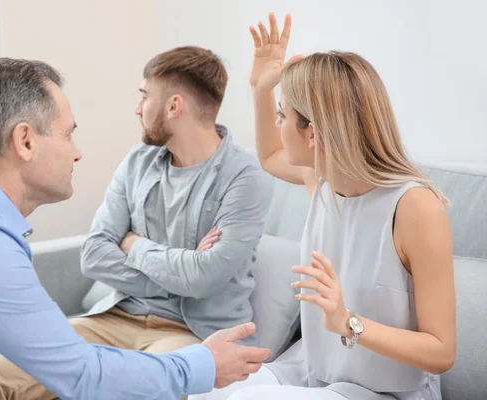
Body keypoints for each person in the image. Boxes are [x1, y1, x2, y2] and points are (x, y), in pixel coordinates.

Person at [0, 57, 271, 400]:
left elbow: (203, 279)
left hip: (186, 329)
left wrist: (134, 245)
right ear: (24, 141)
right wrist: (201, 354)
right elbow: (82, 365)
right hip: (115, 318)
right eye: (69, 134)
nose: (78, 152)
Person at [193, 12, 456, 400]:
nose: (278, 124)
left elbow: (442, 352)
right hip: (312, 374)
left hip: (385, 391)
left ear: (313, 133)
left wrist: (347, 322)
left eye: (283, 114)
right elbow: (269, 155)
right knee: (203, 389)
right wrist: (261, 89)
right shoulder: (322, 180)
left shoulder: (415, 208)